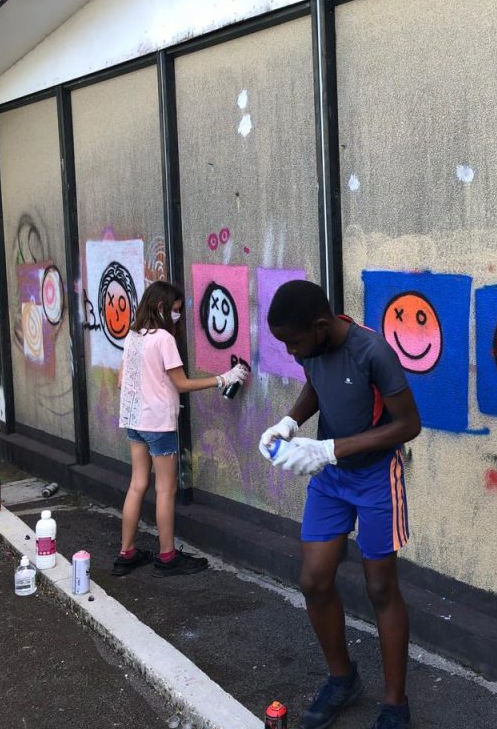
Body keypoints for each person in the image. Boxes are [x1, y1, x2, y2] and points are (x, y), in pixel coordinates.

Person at [260, 280, 421, 729]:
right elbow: (316, 385)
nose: (291, 353)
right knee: (313, 580)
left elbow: (409, 424)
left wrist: (330, 449)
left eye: (294, 343)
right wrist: (289, 422)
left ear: (320, 326)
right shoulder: (311, 346)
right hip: (330, 479)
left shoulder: (373, 352)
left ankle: (395, 704)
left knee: (380, 588)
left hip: (375, 477)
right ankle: (342, 679)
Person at [114, 280, 247, 578]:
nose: (178, 315)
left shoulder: (133, 335)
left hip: (134, 421)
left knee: (137, 484)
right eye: (175, 310)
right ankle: (167, 556)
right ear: (161, 307)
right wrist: (224, 378)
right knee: (165, 489)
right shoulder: (163, 339)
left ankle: (126, 554)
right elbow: (182, 383)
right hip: (158, 424)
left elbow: (122, 380)